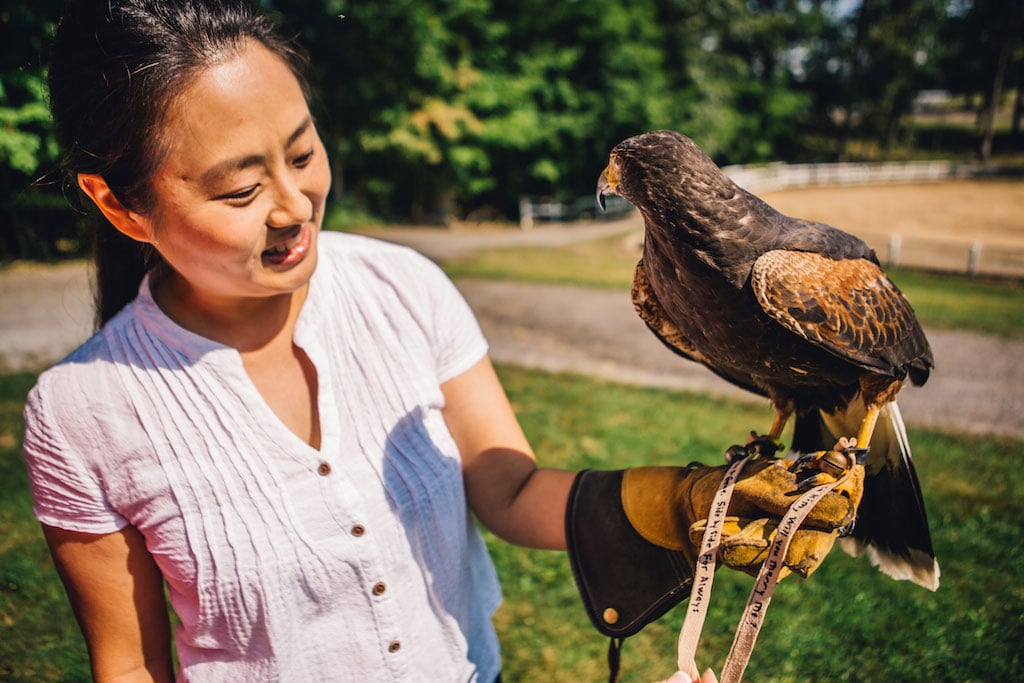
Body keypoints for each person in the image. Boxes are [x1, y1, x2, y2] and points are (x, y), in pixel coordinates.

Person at [23, 1, 858, 681]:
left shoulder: (404, 287)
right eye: (241, 188)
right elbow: (130, 666)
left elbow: (508, 486)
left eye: (303, 151)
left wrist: (677, 502)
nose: (295, 204)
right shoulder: (80, 413)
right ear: (120, 205)